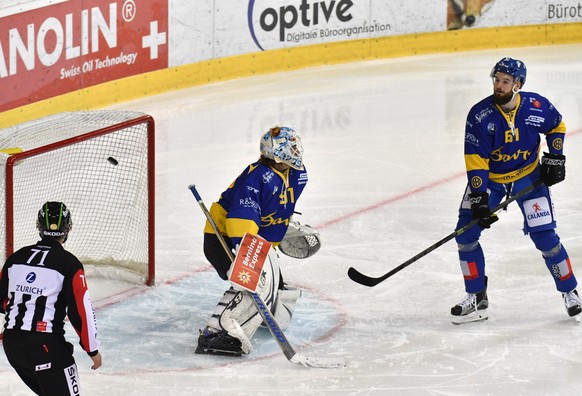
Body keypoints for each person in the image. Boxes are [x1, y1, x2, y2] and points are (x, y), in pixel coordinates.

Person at [450, 57, 579, 324]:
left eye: (505, 81)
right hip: (492, 181)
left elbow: (557, 125)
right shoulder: (480, 115)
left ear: (517, 85)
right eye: (496, 80)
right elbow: (476, 159)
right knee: (465, 235)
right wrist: (478, 198)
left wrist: (556, 158)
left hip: (529, 179)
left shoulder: (535, 106)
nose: (498, 85)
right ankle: (476, 294)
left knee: (545, 238)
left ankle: (570, 291)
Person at [196, 126, 319, 356]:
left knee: (279, 299)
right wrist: (248, 259)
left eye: (296, 146)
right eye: (290, 147)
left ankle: (252, 315)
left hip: (258, 240)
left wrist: (279, 232)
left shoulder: (297, 174)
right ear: (276, 152)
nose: (296, 151)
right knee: (252, 284)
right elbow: (241, 218)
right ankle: (218, 333)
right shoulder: (257, 177)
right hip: (225, 238)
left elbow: (277, 207)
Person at [0, 202, 101, 395]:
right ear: (68, 228)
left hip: (13, 345)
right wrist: (92, 350)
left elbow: (2, 300)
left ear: (39, 227)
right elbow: (81, 311)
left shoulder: (16, 258)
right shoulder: (70, 264)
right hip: (45, 346)